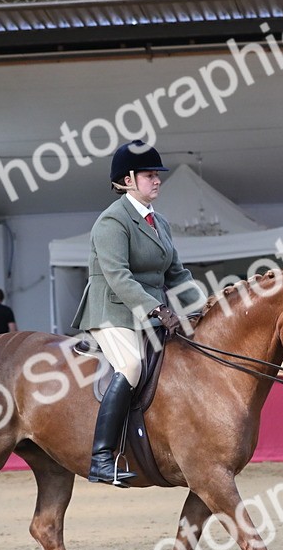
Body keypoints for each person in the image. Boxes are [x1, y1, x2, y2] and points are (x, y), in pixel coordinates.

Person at [70, 140, 202, 487]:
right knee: (131, 366)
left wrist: (204, 306)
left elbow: (177, 274)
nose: (157, 180)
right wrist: (158, 308)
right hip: (112, 312)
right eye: (148, 175)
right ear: (127, 180)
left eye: (157, 175)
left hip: (150, 315)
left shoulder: (160, 223)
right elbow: (118, 277)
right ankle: (101, 457)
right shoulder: (111, 222)